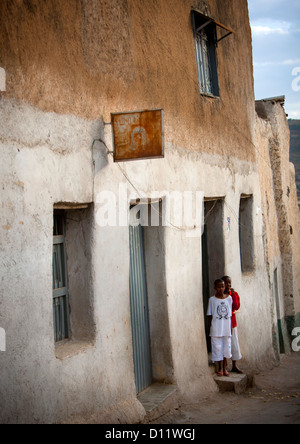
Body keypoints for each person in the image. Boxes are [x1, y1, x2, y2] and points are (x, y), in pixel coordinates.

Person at [207, 279, 233, 377]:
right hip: (216, 329)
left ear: (225, 287)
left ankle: (225, 368)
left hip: (226, 328)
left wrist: (230, 328)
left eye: (222, 286)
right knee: (217, 348)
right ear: (215, 288)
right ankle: (220, 368)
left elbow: (230, 315)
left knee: (226, 348)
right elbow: (210, 315)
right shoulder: (212, 300)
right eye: (218, 287)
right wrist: (213, 326)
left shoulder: (229, 298)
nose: (221, 289)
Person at [222, 276, 243, 374]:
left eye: (229, 283)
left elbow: (236, 306)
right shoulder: (220, 296)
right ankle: (224, 366)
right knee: (225, 343)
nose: (228, 285)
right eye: (226, 283)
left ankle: (234, 365)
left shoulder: (233, 294)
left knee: (234, 342)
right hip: (223, 324)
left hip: (232, 323)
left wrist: (233, 295)